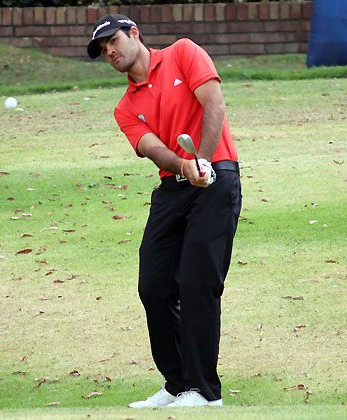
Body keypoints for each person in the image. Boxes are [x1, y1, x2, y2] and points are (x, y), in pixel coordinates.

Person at [86, 14, 243, 408]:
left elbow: (214, 104)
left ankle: (204, 392)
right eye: (103, 50)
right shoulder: (125, 108)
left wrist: (203, 159)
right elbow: (153, 148)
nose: (110, 51)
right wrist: (186, 166)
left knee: (197, 282)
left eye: (113, 41)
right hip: (174, 186)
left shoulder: (183, 53)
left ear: (134, 33)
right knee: (153, 285)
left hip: (217, 177)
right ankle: (178, 384)